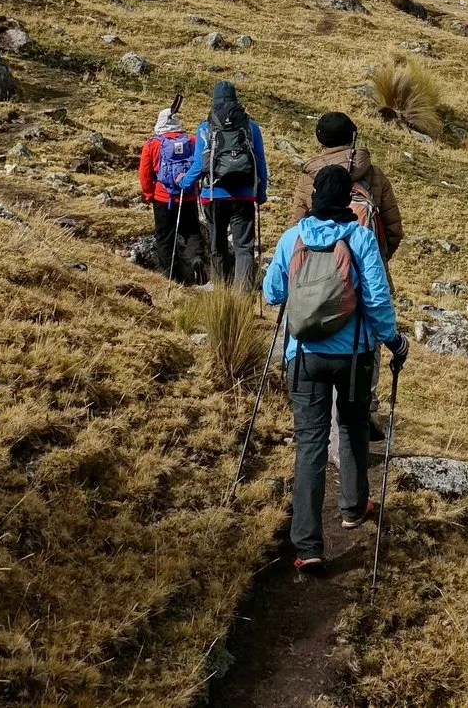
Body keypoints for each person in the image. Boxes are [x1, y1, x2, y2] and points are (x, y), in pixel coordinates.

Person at [261, 163, 405, 572]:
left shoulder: (293, 237)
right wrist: (394, 341)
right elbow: (377, 299)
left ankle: (307, 546)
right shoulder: (359, 238)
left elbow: (272, 292)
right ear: (346, 199)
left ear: (315, 196)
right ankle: (353, 507)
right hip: (354, 355)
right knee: (353, 426)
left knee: (310, 444)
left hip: (304, 356)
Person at [293, 111, 405, 260]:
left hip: (321, 270)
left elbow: (297, 228)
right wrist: (378, 259)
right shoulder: (374, 173)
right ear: (352, 136)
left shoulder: (309, 177)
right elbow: (393, 229)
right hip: (369, 265)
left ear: (320, 139)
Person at [195, 80, 269, 289]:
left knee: (217, 245)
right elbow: (260, 161)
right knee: (244, 247)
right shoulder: (250, 126)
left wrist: (185, 183)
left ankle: (220, 290)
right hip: (244, 194)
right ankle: (242, 295)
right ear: (236, 99)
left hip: (213, 194)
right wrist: (260, 192)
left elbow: (198, 164)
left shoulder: (205, 127)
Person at [138, 103, 206, 284]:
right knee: (192, 231)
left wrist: (148, 194)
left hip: (163, 198)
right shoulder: (191, 140)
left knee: (165, 237)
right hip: (188, 195)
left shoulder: (153, 144)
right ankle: (196, 260)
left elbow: (145, 173)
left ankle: (169, 276)